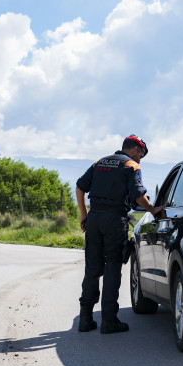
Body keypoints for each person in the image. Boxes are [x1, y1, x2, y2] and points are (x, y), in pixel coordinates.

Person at [75, 135, 164, 334]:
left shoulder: (99, 162)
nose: (140, 159)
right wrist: (152, 210)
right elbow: (138, 196)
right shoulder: (131, 166)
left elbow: (80, 187)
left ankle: (85, 319)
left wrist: (84, 215)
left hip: (95, 220)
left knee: (92, 269)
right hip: (114, 221)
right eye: (141, 154)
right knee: (113, 267)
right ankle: (109, 321)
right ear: (134, 150)